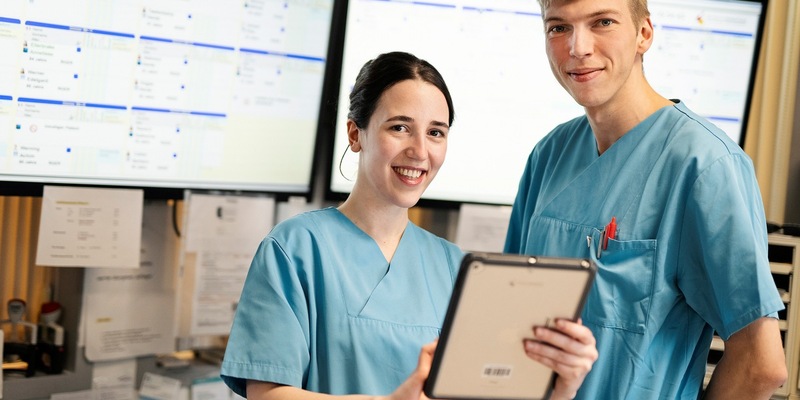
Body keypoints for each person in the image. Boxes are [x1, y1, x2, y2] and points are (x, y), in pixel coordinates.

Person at [220, 51, 598, 400]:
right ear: (356, 134)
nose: (420, 151)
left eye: (436, 132)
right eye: (400, 127)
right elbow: (266, 392)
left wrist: (560, 388)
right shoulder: (296, 249)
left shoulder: (457, 267)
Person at [503, 0, 788, 398]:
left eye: (602, 22)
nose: (577, 47)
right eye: (558, 28)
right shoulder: (549, 155)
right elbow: (510, 317)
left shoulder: (705, 165)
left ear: (644, 34)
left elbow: (761, 364)